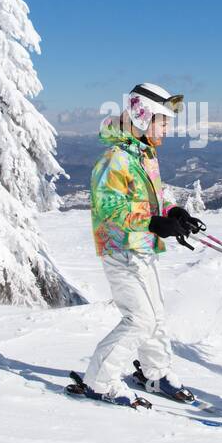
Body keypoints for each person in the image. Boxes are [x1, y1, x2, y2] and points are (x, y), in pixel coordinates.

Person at [77, 83, 205, 407]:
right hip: (120, 250)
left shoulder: (143, 154)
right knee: (140, 319)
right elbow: (109, 209)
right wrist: (153, 222)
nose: (167, 128)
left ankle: (155, 372)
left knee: (156, 316)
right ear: (142, 116)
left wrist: (172, 214)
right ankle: (99, 381)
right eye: (163, 121)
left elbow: (146, 200)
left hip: (142, 248)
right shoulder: (115, 158)